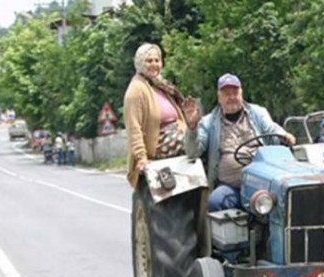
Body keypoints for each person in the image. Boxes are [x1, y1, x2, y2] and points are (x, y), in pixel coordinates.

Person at [185, 73, 296, 211]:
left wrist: (284, 135)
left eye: (235, 93)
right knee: (215, 201)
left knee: (288, 197)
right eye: (227, 94)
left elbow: (271, 128)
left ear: (241, 94)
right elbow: (193, 152)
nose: (232, 97)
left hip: (262, 185)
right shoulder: (208, 122)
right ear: (219, 97)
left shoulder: (257, 113)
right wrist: (192, 128)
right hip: (231, 187)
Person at [123, 43, 200, 189]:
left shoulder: (160, 85)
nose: (154, 64)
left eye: (157, 60)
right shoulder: (136, 90)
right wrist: (141, 158)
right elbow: (134, 128)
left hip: (177, 131)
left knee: (204, 136)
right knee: (194, 142)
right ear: (140, 63)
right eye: (149, 61)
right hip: (159, 142)